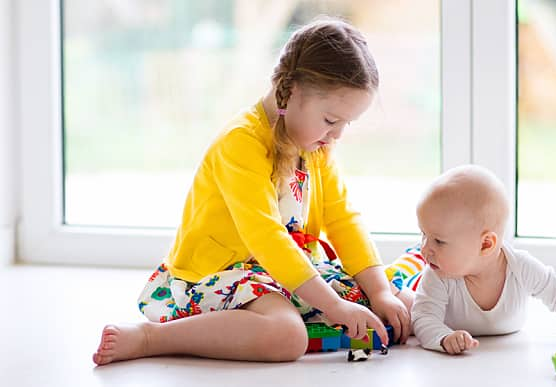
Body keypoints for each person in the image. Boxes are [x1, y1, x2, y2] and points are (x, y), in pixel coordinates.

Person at [93, 17, 414, 365]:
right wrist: (334, 305)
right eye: (331, 121)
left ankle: (313, 316)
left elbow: (343, 218)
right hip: (226, 273)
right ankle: (150, 338)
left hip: (290, 271)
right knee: (286, 336)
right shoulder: (241, 143)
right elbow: (266, 237)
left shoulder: (316, 145)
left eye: (345, 125)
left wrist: (379, 291)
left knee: (404, 303)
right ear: (290, 93)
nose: (336, 136)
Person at [410, 164, 556, 354]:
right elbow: (422, 318)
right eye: (423, 234)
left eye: (438, 241)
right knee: (406, 302)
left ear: (486, 244)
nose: (426, 248)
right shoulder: (438, 273)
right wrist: (443, 338)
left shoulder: (519, 267)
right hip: (421, 291)